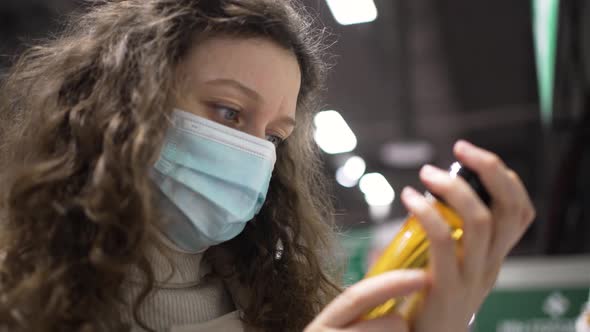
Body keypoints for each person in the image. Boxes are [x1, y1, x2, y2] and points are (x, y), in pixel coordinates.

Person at [0, 0, 536, 331]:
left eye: (275, 136)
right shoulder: (19, 299)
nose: (256, 154)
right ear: (124, 106)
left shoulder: (281, 304)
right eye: (229, 111)